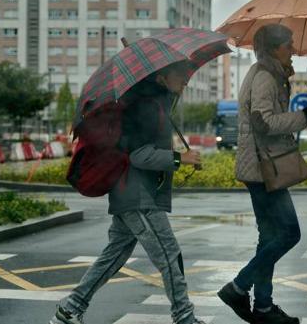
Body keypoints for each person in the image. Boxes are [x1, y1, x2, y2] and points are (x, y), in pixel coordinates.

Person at [50, 62, 205, 324]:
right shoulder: (145, 107)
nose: (186, 80)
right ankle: (185, 318)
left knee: (114, 255)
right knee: (169, 254)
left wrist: (179, 156)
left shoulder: (155, 104)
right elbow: (139, 155)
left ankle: (71, 308)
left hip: (131, 193)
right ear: (163, 77)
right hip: (138, 195)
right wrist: (180, 159)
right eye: (181, 74)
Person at [217, 24, 307, 324]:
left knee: (269, 237)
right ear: (273, 49)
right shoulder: (264, 77)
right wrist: (301, 118)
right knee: (289, 233)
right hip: (262, 167)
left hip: (262, 165)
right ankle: (238, 287)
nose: (293, 50)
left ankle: (262, 307)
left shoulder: (270, 74)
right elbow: (264, 122)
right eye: (288, 45)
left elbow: (269, 121)